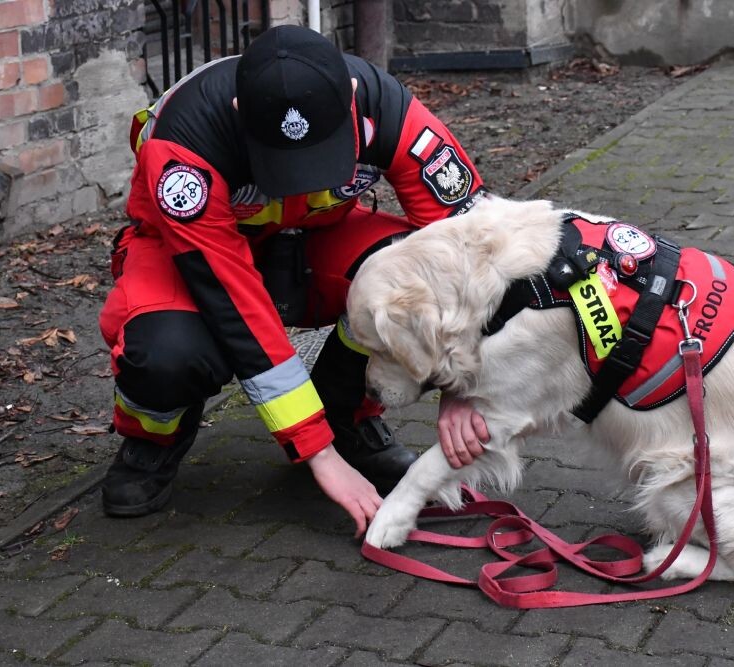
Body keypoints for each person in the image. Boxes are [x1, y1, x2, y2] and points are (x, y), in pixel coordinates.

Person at [97, 24, 491, 535]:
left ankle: (346, 414)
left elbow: (469, 249)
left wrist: (460, 385)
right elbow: (233, 303)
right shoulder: (186, 143)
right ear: (239, 111)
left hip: (314, 243)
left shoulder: (387, 109)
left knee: (422, 283)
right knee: (167, 352)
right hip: (192, 256)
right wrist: (318, 455)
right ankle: (153, 439)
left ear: (350, 95)